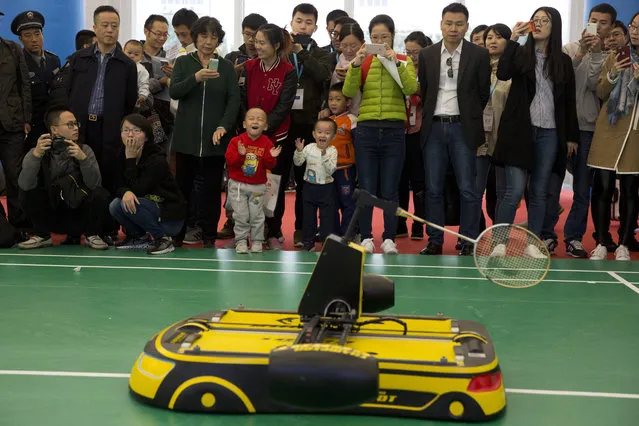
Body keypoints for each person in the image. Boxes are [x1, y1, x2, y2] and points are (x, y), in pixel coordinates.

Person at [417, 3, 490, 256]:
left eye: (459, 24)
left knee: (468, 189)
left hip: (463, 128)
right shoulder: (427, 55)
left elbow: (482, 94)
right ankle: (435, 240)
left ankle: (468, 240)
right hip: (434, 128)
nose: (453, 28)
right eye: (449, 23)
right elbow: (425, 91)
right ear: (441, 24)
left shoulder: (478, 55)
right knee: (433, 188)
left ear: (467, 26)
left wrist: (467, 118)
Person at [343, 14, 418, 254]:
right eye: (375, 37)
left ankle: (389, 238)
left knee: (390, 188)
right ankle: (366, 237)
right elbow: (348, 90)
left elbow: (411, 88)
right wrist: (355, 64)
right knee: (366, 187)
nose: (379, 40)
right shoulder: (363, 62)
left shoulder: (404, 61)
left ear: (393, 37)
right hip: (366, 131)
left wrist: (394, 61)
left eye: (384, 36)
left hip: (395, 131)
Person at [169, 16, 241, 248]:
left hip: (215, 139)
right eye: (203, 36)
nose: (208, 42)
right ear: (195, 37)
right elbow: (175, 91)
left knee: (211, 190)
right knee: (183, 188)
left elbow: (233, 101)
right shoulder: (183, 63)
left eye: (213, 37)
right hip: (186, 139)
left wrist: (223, 126)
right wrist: (196, 78)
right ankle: (178, 233)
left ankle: (209, 234)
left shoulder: (227, 67)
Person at [556, 3, 617, 258]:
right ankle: (545, 236)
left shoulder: (609, 57)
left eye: (603, 22)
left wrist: (595, 55)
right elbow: (560, 77)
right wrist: (582, 50)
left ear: (610, 26)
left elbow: (595, 86)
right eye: (594, 20)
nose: (597, 25)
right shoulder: (569, 48)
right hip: (559, 127)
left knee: (582, 189)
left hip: (589, 129)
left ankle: (573, 238)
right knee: (547, 187)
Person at [66, 5, 138, 201]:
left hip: (110, 128)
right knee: (78, 173)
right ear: (95, 28)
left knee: (108, 174)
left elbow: (130, 101)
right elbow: (67, 91)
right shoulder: (78, 59)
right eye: (105, 25)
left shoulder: (127, 65)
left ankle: (107, 228)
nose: (110, 30)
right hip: (81, 126)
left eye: (114, 26)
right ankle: (78, 227)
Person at [17, 106, 110, 250]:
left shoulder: (85, 150)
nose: (76, 128)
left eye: (76, 124)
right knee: (27, 191)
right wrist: (35, 156)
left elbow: (95, 185)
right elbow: (24, 185)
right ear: (54, 129)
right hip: (52, 215)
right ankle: (43, 235)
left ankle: (92, 235)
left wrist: (83, 159)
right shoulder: (38, 151)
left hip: (78, 213)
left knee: (100, 193)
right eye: (69, 124)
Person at [240, 23, 298, 249]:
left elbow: (285, 105)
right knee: (249, 184)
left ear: (276, 45)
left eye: (263, 42)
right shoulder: (250, 67)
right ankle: (250, 232)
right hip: (250, 136)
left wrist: (264, 128)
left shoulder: (288, 71)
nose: (257, 46)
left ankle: (273, 230)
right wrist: (249, 127)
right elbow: (243, 98)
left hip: (276, 137)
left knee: (274, 185)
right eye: (256, 41)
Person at [586, 11, 639, 261]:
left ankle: (624, 244)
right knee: (602, 188)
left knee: (630, 190)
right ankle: (600, 241)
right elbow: (601, 91)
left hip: (634, 134)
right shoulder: (617, 55)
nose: (636, 31)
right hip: (609, 129)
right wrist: (613, 73)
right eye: (634, 26)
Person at [110, 114, 186, 255]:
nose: (130, 135)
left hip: (169, 219)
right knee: (115, 205)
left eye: (136, 130)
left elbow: (139, 189)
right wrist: (125, 192)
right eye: (126, 130)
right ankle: (139, 238)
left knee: (128, 203)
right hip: (146, 210)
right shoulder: (121, 155)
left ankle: (163, 239)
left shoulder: (156, 160)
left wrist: (131, 161)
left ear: (146, 137)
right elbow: (117, 185)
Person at [225, 108, 282, 254]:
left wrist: (271, 157)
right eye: (251, 118)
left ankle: (257, 240)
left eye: (260, 119)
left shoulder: (267, 143)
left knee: (257, 215)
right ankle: (241, 241)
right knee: (241, 215)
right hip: (238, 185)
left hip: (258, 187)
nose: (255, 121)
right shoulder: (236, 141)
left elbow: (269, 165)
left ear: (266, 126)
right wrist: (240, 154)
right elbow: (230, 162)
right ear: (244, 124)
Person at [0, 9, 32, 239]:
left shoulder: (12, 48)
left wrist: (26, 119)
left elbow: (24, 86)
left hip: (11, 124)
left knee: (15, 176)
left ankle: (19, 227)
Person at [10, 10, 62, 152]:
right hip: (29, 127)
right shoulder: (16, 63)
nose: (34, 39)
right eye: (28, 35)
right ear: (20, 39)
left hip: (52, 125)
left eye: (37, 34)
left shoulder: (54, 60)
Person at [293, 118, 338, 251]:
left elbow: (331, 170)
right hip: (309, 187)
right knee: (308, 217)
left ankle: (326, 243)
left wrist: (324, 154)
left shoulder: (332, 150)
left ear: (333, 136)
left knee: (327, 218)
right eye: (319, 132)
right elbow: (298, 163)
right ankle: (308, 242)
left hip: (326, 188)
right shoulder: (309, 148)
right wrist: (299, 151)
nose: (322, 135)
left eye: (327, 133)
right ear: (314, 134)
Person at [327, 82, 357, 236]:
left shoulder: (351, 120)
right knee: (330, 204)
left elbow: (357, 145)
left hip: (345, 169)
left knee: (348, 203)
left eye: (338, 99)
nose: (333, 103)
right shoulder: (326, 121)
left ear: (348, 102)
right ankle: (332, 234)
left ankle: (348, 234)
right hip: (327, 171)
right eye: (331, 99)